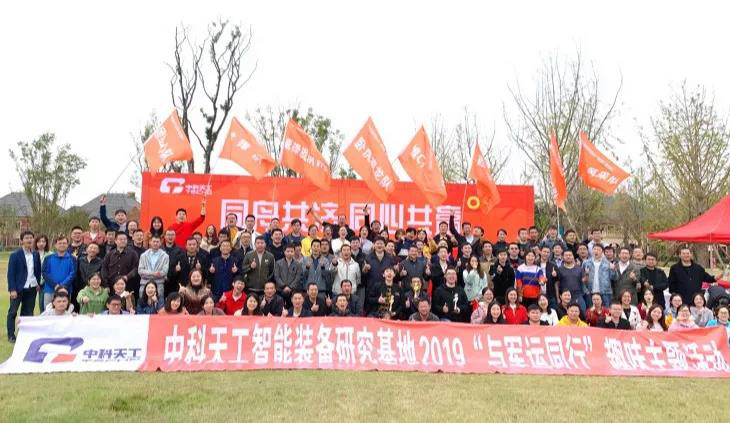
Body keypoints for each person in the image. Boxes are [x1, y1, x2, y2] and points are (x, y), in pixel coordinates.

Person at [7, 230, 41, 342]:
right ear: (22, 241)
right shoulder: (15, 255)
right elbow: (11, 274)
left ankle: (24, 334)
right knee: (13, 312)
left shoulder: (35, 254)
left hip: (31, 288)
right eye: (26, 238)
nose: (29, 240)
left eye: (31, 238)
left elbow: (37, 270)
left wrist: (37, 283)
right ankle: (11, 335)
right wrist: (12, 289)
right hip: (18, 288)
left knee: (28, 313)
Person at [42, 235, 77, 308]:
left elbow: (73, 273)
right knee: (48, 311)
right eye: (60, 243)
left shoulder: (72, 259)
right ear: (55, 245)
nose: (62, 245)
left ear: (67, 245)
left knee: (64, 311)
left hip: (65, 290)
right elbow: (44, 273)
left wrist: (63, 286)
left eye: (64, 243)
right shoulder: (48, 258)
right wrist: (55, 285)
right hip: (50, 290)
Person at [581, 244, 617, 310]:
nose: (596, 251)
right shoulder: (586, 263)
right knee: (590, 312)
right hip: (590, 292)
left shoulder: (607, 263)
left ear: (602, 252)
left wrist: (613, 270)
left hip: (605, 293)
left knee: (605, 312)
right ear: (592, 251)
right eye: (594, 249)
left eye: (598, 250)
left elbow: (614, 278)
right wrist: (585, 291)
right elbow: (582, 279)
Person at [137, 234, 169, 299]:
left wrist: (147, 274)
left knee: (158, 303)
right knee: (143, 303)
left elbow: (164, 272)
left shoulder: (165, 256)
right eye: (154, 241)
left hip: (159, 285)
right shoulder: (143, 255)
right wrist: (153, 273)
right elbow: (140, 271)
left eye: (157, 242)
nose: (155, 243)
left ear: (160, 243)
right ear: (150, 242)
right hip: (144, 284)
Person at [34, 234, 52, 311]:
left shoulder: (51, 254)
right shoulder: (32, 254)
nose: (41, 243)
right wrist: (36, 283)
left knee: (44, 304)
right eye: (39, 241)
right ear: (36, 243)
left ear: (46, 243)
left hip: (46, 283)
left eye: (43, 241)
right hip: (34, 282)